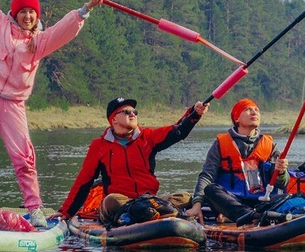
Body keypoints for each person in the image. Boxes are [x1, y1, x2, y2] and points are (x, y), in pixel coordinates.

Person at [0, 0, 104, 227]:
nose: (27, 16)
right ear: (14, 13)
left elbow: (63, 30)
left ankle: (35, 207)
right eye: (23, 11)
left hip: (13, 104)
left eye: (32, 12)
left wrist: (85, 10)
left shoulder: (38, 42)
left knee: (24, 158)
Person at [54, 97, 209, 226]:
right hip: (120, 203)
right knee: (111, 200)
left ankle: (148, 211)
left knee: (185, 197)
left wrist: (194, 114)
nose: (133, 114)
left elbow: (176, 131)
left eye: (134, 112)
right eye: (127, 112)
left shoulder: (147, 137)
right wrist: (65, 212)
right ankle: (152, 212)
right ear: (113, 119)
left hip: (148, 199)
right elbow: (83, 182)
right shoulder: (99, 147)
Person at [184, 98, 289, 224]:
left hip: (262, 200)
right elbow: (207, 176)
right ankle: (251, 216)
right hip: (232, 200)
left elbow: (282, 183)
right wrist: (197, 204)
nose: (254, 113)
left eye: (256, 110)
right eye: (248, 110)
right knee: (210, 190)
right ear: (237, 118)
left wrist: (282, 172)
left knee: (288, 197)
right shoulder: (221, 143)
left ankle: (243, 215)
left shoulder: (269, 144)